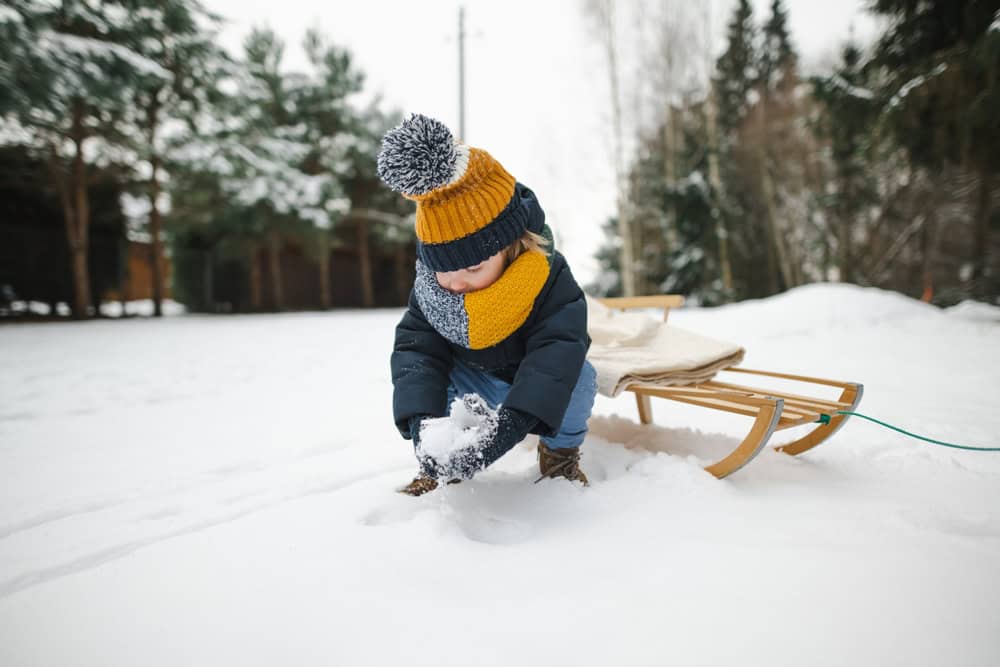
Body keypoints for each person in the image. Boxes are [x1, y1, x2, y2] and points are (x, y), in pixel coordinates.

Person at [378, 114, 597, 496]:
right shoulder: (432, 291)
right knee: (435, 377)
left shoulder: (546, 276)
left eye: (473, 267)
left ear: (512, 247)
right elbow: (417, 354)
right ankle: (442, 462)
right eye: (443, 271)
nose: (456, 283)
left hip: (529, 378)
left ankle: (560, 456)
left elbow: (558, 349)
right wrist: (422, 428)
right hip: (472, 382)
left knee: (579, 377)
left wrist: (515, 423)